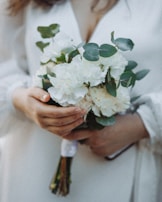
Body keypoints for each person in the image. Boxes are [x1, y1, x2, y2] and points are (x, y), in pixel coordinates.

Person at [0, 0, 162, 201]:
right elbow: (5, 65)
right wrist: (21, 99)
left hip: (122, 170)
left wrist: (141, 124)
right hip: (34, 165)